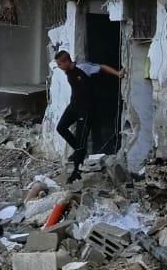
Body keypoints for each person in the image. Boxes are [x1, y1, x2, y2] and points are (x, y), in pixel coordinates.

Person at [53, 50, 124, 181]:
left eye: (60, 64)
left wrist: (118, 73)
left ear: (66, 61)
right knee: (61, 128)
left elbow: (102, 67)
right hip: (73, 106)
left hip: (85, 109)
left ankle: (76, 170)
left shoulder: (83, 67)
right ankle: (79, 151)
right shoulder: (68, 72)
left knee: (81, 139)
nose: (59, 67)